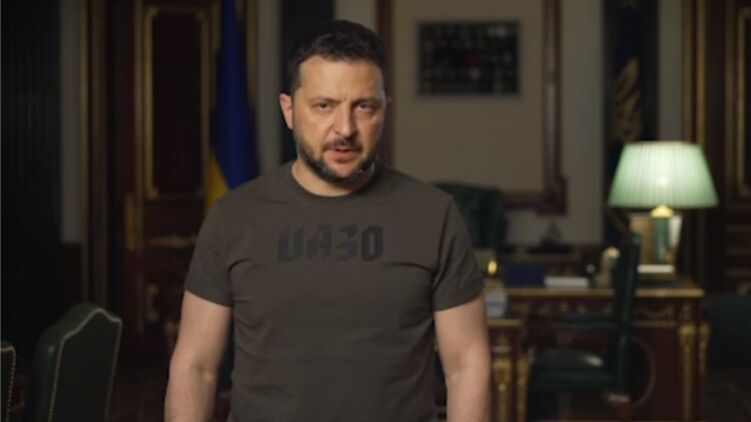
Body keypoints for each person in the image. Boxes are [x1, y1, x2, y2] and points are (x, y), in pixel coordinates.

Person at [165, 19, 491, 422]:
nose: (345, 129)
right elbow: (196, 365)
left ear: (385, 108)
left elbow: (467, 365)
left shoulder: (434, 215)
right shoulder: (234, 217)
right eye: (324, 106)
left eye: (364, 106)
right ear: (288, 110)